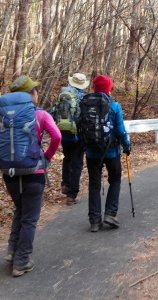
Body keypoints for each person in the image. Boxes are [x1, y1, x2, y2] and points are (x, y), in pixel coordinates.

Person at [0, 75, 61, 277]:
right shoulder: (41, 115)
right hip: (33, 172)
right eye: (36, 90)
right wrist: (47, 158)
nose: (38, 93)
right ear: (31, 93)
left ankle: (12, 252)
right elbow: (57, 136)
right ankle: (22, 261)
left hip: (9, 173)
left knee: (20, 210)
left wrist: (1, 159)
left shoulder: (3, 116)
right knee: (29, 218)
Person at [82, 75, 131, 232]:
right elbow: (120, 130)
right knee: (115, 180)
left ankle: (94, 220)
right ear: (110, 87)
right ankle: (110, 213)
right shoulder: (114, 106)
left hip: (91, 150)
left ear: (94, 88)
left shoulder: (83, 103)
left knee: (94, 184)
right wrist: (126, 145)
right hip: (111, 150)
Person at [52, 73, 89, 206]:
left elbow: (53, 112)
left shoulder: (62, 96)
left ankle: (65, 185)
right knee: (77, 163)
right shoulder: (83, 97)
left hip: (63, 133)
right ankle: (72, 195)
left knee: (67, 159)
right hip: (77, 135)